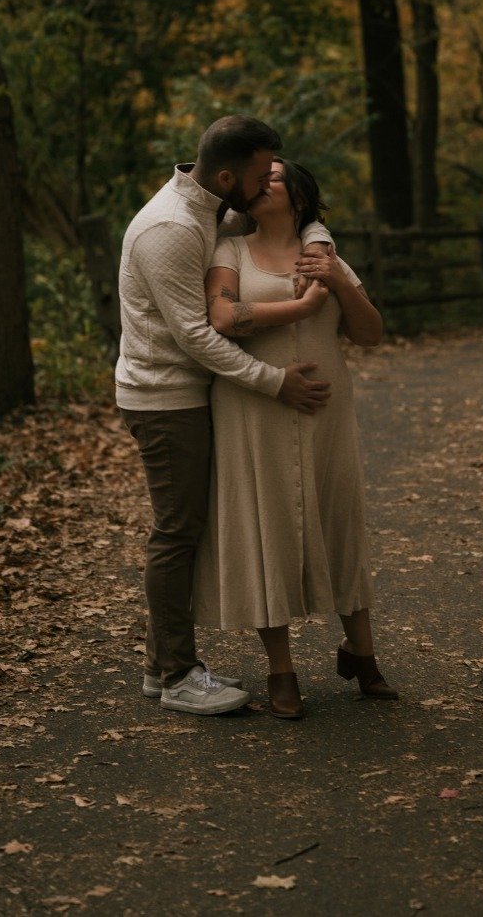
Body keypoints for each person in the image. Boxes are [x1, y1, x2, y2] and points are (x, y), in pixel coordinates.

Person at [116, 116, 335, 716]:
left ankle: (161, 667)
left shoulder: (217, 209)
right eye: (261, 175)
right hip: (165, 396)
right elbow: (194, 335)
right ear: (226, 177)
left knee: (187, 529)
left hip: (194, 393)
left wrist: (318, 239)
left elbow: (295, 216)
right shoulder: (170, 228)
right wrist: (275, 382)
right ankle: (178, 676)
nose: (267, 185)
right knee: (176, 532)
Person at [194, 158, 398, 719]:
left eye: (274, 177)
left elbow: (370, 334)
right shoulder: (230, 250)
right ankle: (281, 670)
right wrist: (305, 306)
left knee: (338, 517)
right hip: (253, 404)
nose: (262, 181)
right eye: (259, 176)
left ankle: (362, 654)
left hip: (326, 409)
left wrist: (338, 283)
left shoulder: (325, 257)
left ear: (300, 198)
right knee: (269, 525)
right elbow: (222, 318)